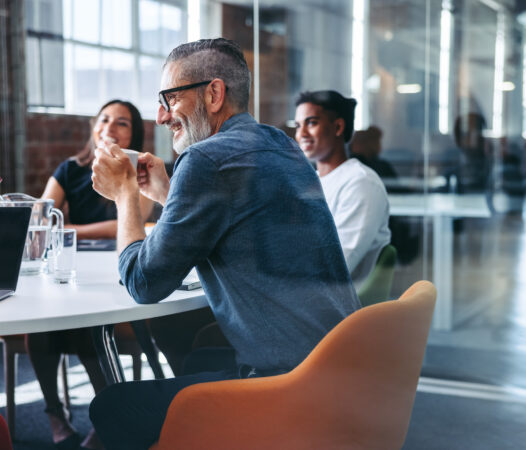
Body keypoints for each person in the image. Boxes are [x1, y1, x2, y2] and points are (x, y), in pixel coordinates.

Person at [89, 38, 359, 449]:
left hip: (289, 387)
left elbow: (143, 284)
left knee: (111, 407)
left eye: (170, 98)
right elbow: (239, 223)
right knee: (199, 356)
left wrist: (126, 194)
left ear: (214, 94)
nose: (161, 116)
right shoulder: (280, 144)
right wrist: (168, 192)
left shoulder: (205, 161)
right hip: (338, 371)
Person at [26, 100, 153, 450]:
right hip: (71, 270)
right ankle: (54, 413)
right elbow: (41, 217)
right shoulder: (70, 169)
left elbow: (129, 223)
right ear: (94, 127)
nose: (110, 126)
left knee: (88, 323)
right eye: (105, 119)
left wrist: (71, 230)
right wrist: (47, 220)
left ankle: (106, 417)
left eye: (122, 123)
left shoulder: (140, 170)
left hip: (117, 272)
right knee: (40, 324)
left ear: (135, 133)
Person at [294, 90, 391, 288]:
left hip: (336, 305)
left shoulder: (360, 183)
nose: (301, 134)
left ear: (338, 127)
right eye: (298, 125)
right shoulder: (312, 182)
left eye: (311, 123)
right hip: (306, 291)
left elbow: (337, 265)